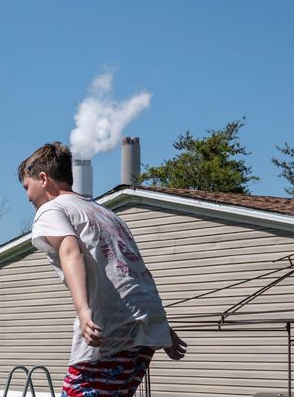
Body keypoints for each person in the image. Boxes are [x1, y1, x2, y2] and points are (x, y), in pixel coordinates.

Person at [18, 142, 187, 397]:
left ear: (43, 179)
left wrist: (84, 311)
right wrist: (161, 325)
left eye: (26, 187)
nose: (27, 197)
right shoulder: (107, 214)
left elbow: (69, 250)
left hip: (110, 327)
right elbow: (131, 269)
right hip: (145, 330)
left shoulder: (52, 209)